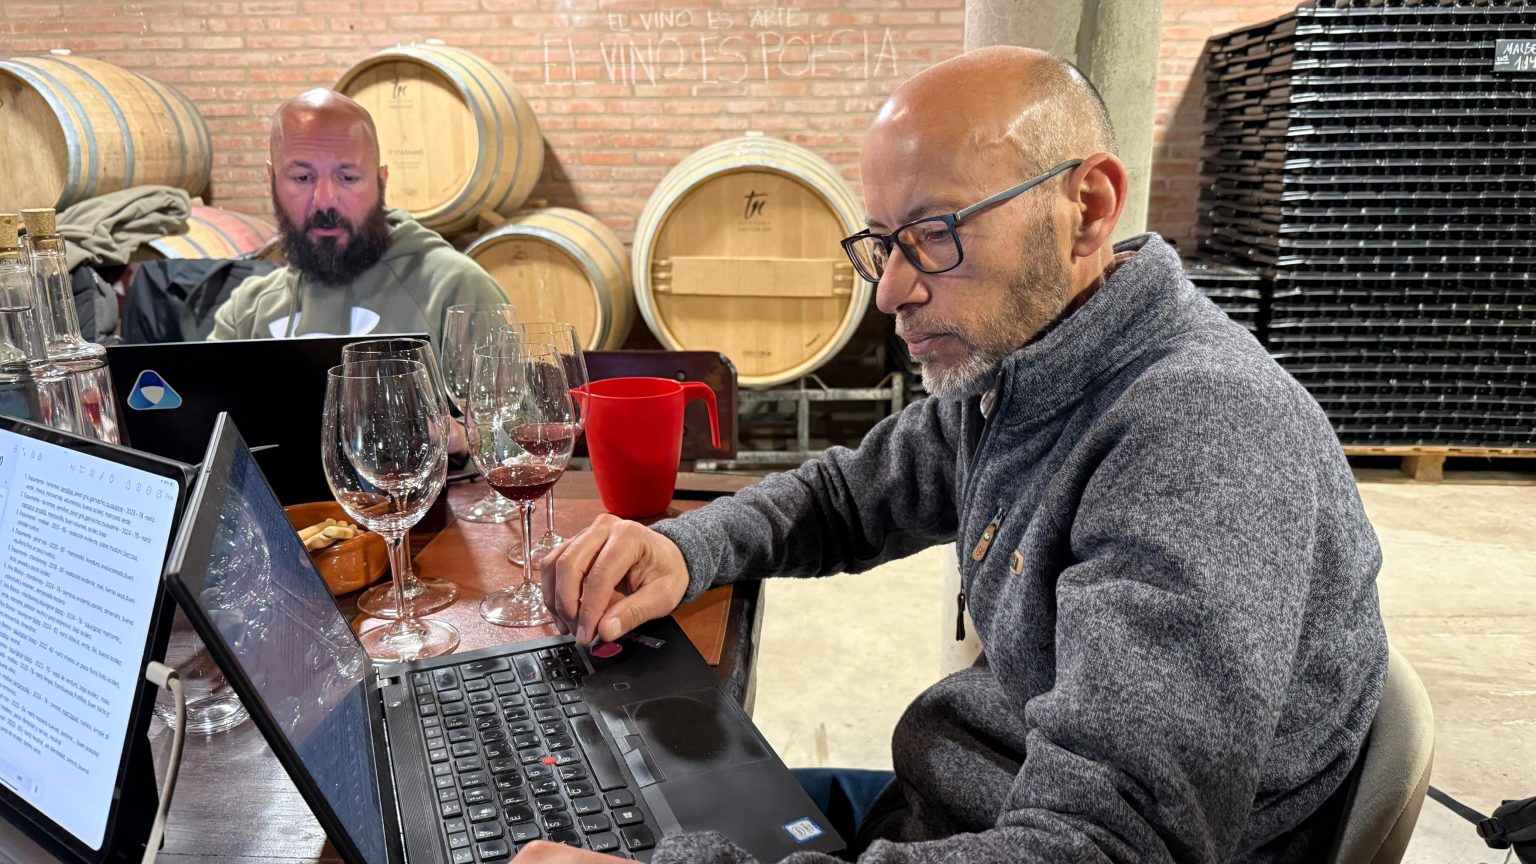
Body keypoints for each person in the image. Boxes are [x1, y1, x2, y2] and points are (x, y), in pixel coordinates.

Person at [524, 46, 1388, 864]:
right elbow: (846, 497)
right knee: (584, 792)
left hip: (1001, 833)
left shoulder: (1202, 439)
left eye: (934, 233)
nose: (891, 292)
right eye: (883, 242)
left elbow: (1108, 847)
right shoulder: (1027, 368)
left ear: (1087, 209)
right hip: (954, 800)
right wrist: (685, 548)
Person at [209, 89, 506, 344]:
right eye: (302, 177)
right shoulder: (246, 313)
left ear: (381, 181)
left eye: (348, 178)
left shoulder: (457, 291)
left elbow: (503, 395)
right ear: (272, 180)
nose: (324, 200)